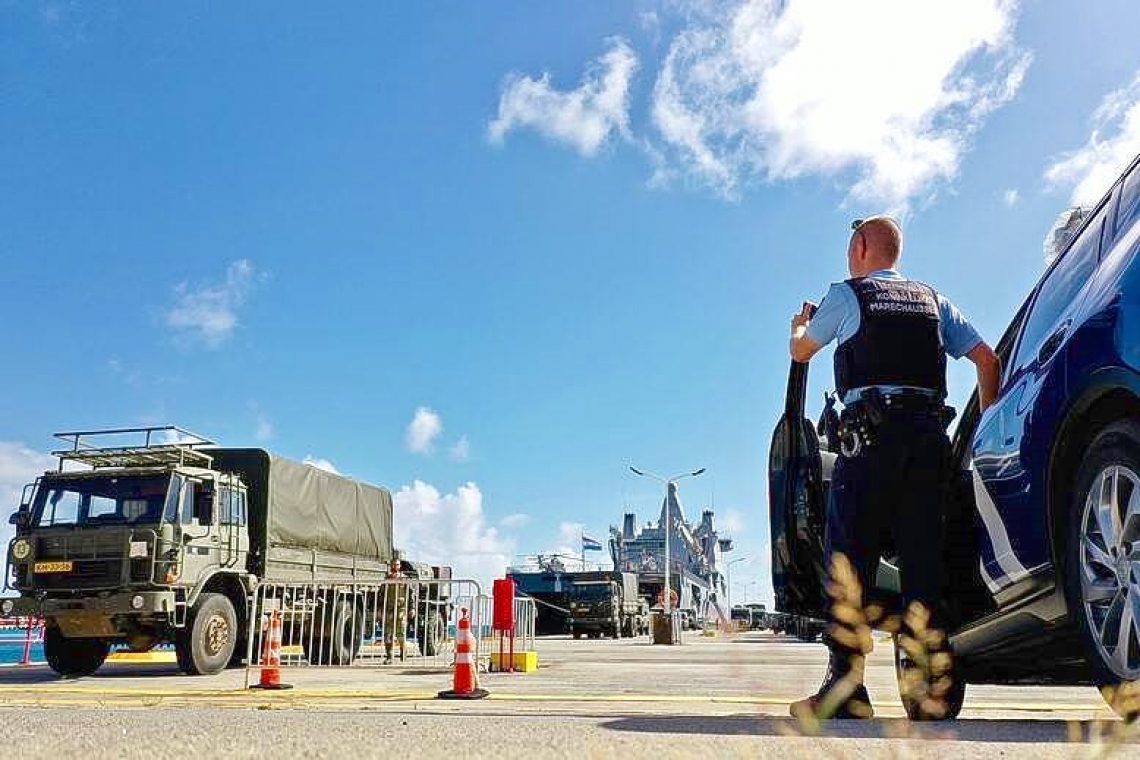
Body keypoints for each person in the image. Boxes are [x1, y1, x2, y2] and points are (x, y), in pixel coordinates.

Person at [787, 216, 1001, 720]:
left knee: (849, 562)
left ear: (861, 247)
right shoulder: (933, 300)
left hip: (870, 445)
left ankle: (845, 689)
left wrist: (799, 324)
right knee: (925, 561)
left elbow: (802, 351)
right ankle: (932, 693)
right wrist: (984, 428)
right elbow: (987, 362)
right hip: (929, 444)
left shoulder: (847, 295)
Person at [381, 557, 409, 664]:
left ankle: (403, 652)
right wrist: (379, 609)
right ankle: (389, 657)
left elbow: (410, 595)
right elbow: (381, 594)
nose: (395, 567)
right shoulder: (387, 579)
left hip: (401, 610)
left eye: (397, 565)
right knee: (388, 634)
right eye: (393, 565)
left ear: (400, 566)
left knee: (401, 633)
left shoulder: (404, 579)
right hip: (389, 610)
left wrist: (412, 609)